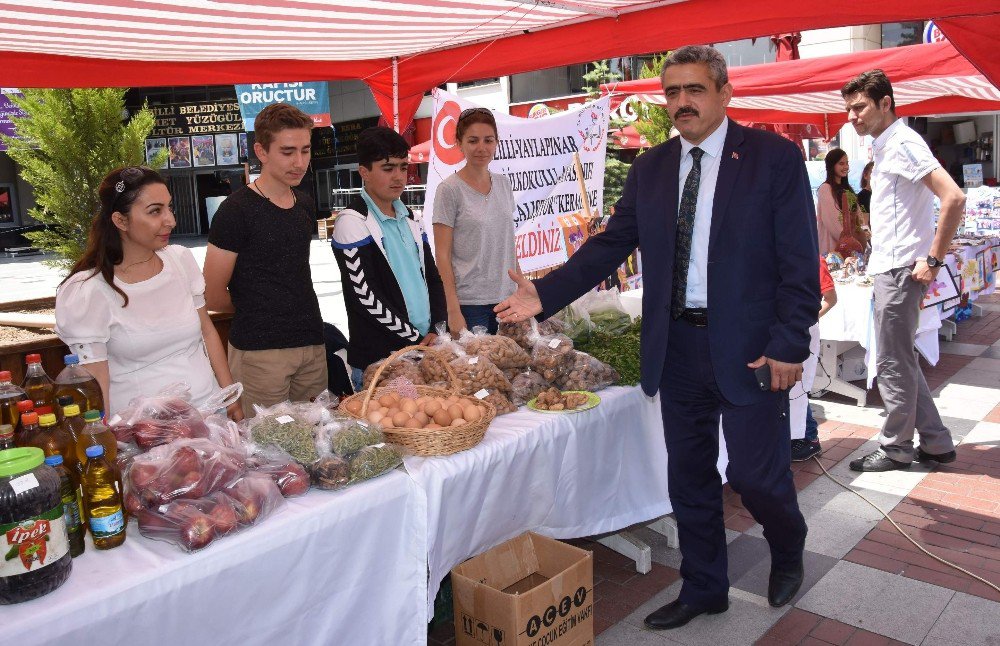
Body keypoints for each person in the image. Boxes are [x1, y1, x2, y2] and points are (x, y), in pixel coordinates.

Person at [496, 46, 819, 628]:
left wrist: (790, 341)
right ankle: (703, 587)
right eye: (672, 93)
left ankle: (788, 545)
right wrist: (545, 295)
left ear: (724, 93)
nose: (682, 103)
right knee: (689, 476)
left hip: (750, 350)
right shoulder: (651, 169)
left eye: (694, 90)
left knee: (754, 475)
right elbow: (609, 245)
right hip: (676, 349)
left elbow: (799, 260)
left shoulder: (773, 159)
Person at [841, 70, 966, 472]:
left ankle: (896, 448)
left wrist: (933, 258)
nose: (853, 116)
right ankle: (936, 441)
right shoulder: (887, 145)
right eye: (849, 109)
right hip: (892, 267)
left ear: (885, 103)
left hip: (899, 269)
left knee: (894, 363)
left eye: (859, 107)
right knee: (901, 359)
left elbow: (954, 197)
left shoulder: (902, 143)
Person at [55, 166, 241, 420]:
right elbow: (96, 379)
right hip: (144, 433)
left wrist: (230, 398)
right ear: (120, 220)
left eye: (169, 207)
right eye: (155, 211)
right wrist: (106, 440)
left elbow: (207, 331)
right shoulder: (88, 291)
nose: (171, 220)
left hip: (209, 415)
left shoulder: (180, 261)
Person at [204, 103, 327, 418]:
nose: (299, 162)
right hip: (260, 352)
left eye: (305, 150)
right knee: (266, 452)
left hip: (311, 344)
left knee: (316, 440)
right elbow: (212, 293)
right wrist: (257, 306)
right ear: (261, 150)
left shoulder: (304, 204)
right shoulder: (236, 211)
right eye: (287, 152)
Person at [330, 127, 446, 391]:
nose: (398, 177)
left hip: (422, 353)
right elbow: (366, 298)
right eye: (388, 168)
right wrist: (417, 339)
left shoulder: (411, 219)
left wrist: (437, 330)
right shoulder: (352, 222)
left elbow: (434, 279)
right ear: (364, 172)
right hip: (380, 362)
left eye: (403, 167)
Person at [433, 107, 517, 335]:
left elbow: (510, 243)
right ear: (459, 143)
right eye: (473, 140)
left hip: (508, 300)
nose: (482, 148)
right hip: (470, 304)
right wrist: (452, 310)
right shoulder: (449, 190)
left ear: (496, 143)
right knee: (475, 370)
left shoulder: (504, 184)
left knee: (509, 369)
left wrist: (521, 288)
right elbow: (442, 255)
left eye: (488, 140)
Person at [791, 257, 838, 462]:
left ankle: (809, 438)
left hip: (803, 331)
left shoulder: (815, 260)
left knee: (798, 389)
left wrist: (811, 317)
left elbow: (831, 298)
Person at [816, 148, 868, 255]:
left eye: (847, 163)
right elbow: (833, 222)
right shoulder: (825, 189)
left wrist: (863, 233)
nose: (846, 167)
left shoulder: (847, 189)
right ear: (832, 165)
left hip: (852, 249)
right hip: (833, 251)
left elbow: (858, 217)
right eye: (841, 163)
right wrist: (850, 242)